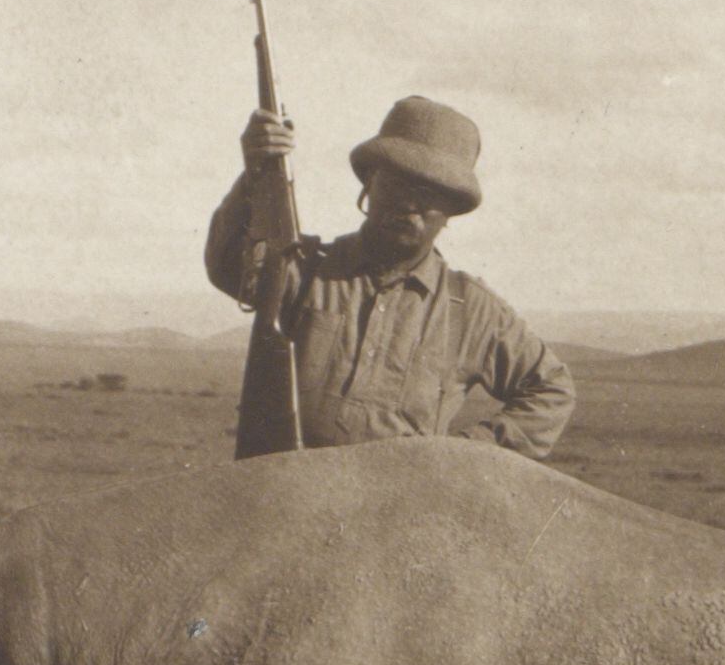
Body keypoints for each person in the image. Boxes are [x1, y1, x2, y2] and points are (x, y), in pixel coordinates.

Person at [204, 96, 576, 459]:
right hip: (286, 501)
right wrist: (254, 172)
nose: (409, 205)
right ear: (370, 183)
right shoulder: (304, 268)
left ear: (451, 211)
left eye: (431, 193)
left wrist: (465, 455)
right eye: (397, 183)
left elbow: (552, 389)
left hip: (400, 515)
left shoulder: (471, 308)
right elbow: (226, 266)